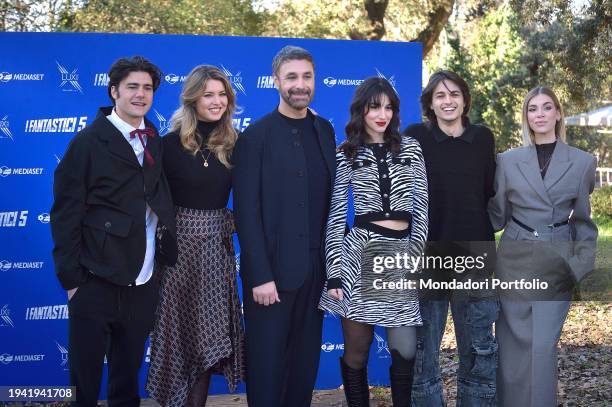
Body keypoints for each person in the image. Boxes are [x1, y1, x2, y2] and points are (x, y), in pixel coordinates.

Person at [50, 56, 177, 407]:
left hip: (143, 281)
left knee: (126, 382)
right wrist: (72, 281)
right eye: (132, 87)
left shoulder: (154, 140)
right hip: (95, 280)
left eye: (147, 88)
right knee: (85, 385)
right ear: (114, 91)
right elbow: (65, 213)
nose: (141, 94)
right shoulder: (88, 143)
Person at [232, 45, 336, 407]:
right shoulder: (254, 137)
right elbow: (246, 211)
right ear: (276, 81)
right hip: (271, 276)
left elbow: (331, 206)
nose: (300, 84)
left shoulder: (324, 130)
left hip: (315, 274)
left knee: (304, 368)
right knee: (267, 368)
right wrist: (260, 275)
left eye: (307, 76)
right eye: (291, 76)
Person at [319, 77, 429, 407]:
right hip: (358, 257)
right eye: (374, 106)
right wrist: (335, 272)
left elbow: (421, 209)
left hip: (400, 257)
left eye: (388, 107)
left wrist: (415, 259)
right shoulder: (346, 154)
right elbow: (337, 217)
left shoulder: (410, 148)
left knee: (405, 351)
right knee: (356, 351)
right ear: (361, 110)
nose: (382, 114)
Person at [488, 86, 597, 407]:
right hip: (514, 260)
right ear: (526, 117)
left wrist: (578, 267)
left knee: (542, 347)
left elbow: (585, 223)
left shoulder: (582, 162)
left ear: (558, 113)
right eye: (532, 109)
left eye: (546, 107)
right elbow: (496, 216)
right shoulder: (507, 161)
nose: (539, 114)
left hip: (557, 261)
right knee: (511, 346)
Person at [146, 65, 245, 407]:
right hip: (177, 255)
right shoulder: (168, 145)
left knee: (207, 343)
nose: (217, 102)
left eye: (222, 95)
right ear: (192, 99)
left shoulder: (235, 144)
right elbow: (148, 201)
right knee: (179, 343)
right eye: (208, 95)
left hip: (217, 254)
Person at [403, 70, 499, 406]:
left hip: (476, 255)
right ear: (430, 102)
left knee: (478, 349)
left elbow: (489, 190)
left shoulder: (483, 138)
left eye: (455, 94)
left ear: (465, 100)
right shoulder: (415, 136)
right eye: (440, 95)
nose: (448, 101)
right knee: (423, 351)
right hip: (428, 256)